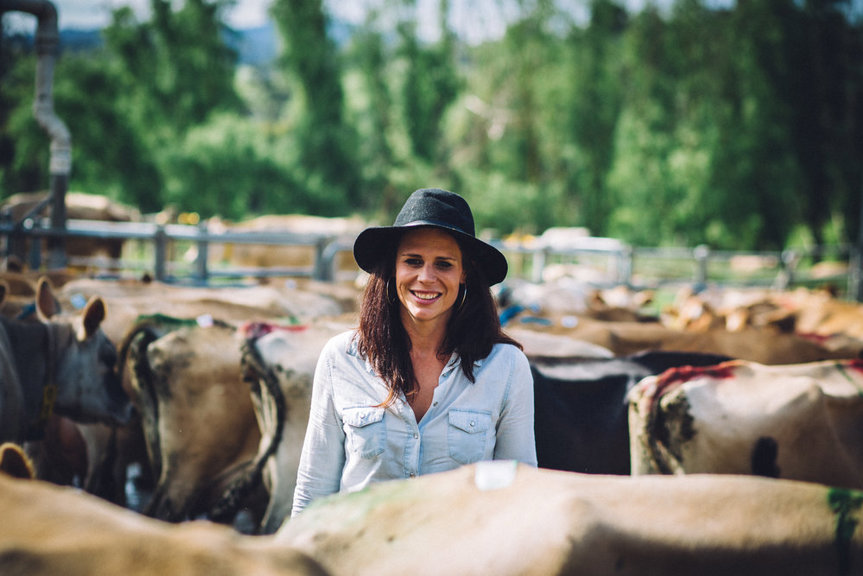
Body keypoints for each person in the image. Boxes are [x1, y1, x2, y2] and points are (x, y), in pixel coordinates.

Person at [291, 187, 536, 516]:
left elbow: (519, 491)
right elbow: (315, 487)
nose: (426, 277)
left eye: (444, 264)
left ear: (464, 273)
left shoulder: (506, 367)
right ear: (393, 267)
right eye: (413, 261)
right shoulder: (341, 358)